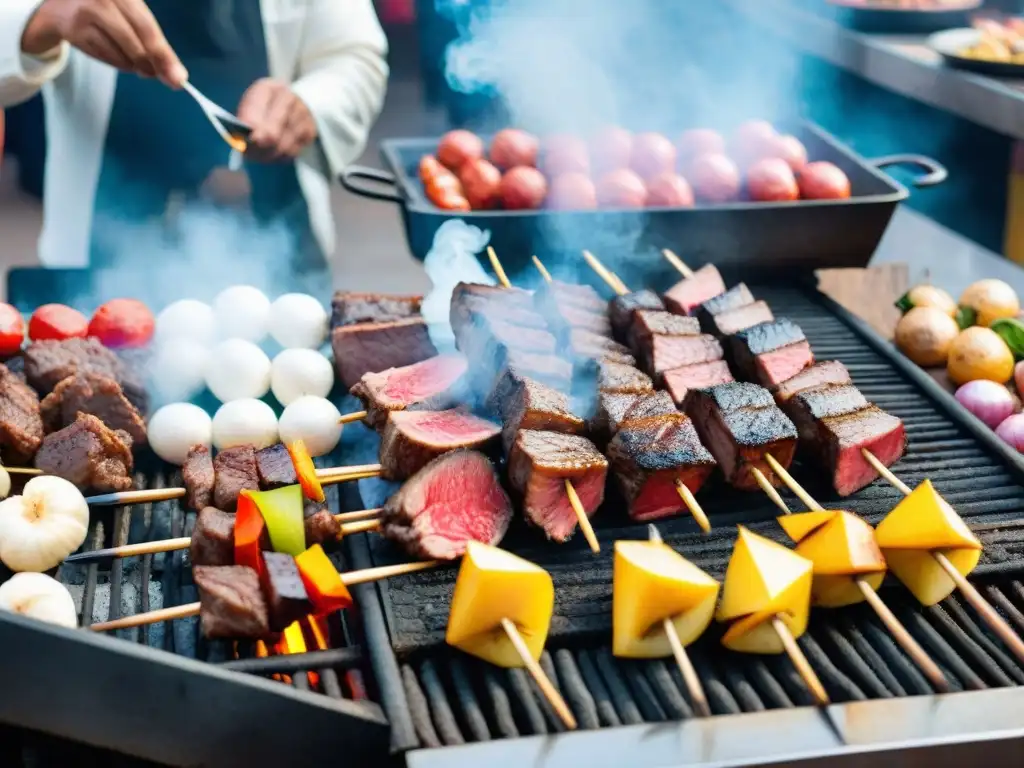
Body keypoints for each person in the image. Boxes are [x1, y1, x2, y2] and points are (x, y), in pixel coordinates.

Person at [0, 0, 389, 284]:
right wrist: (36, 19)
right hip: (100, 262)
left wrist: (309, 105)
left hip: (282, 253)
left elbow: (355, 56)